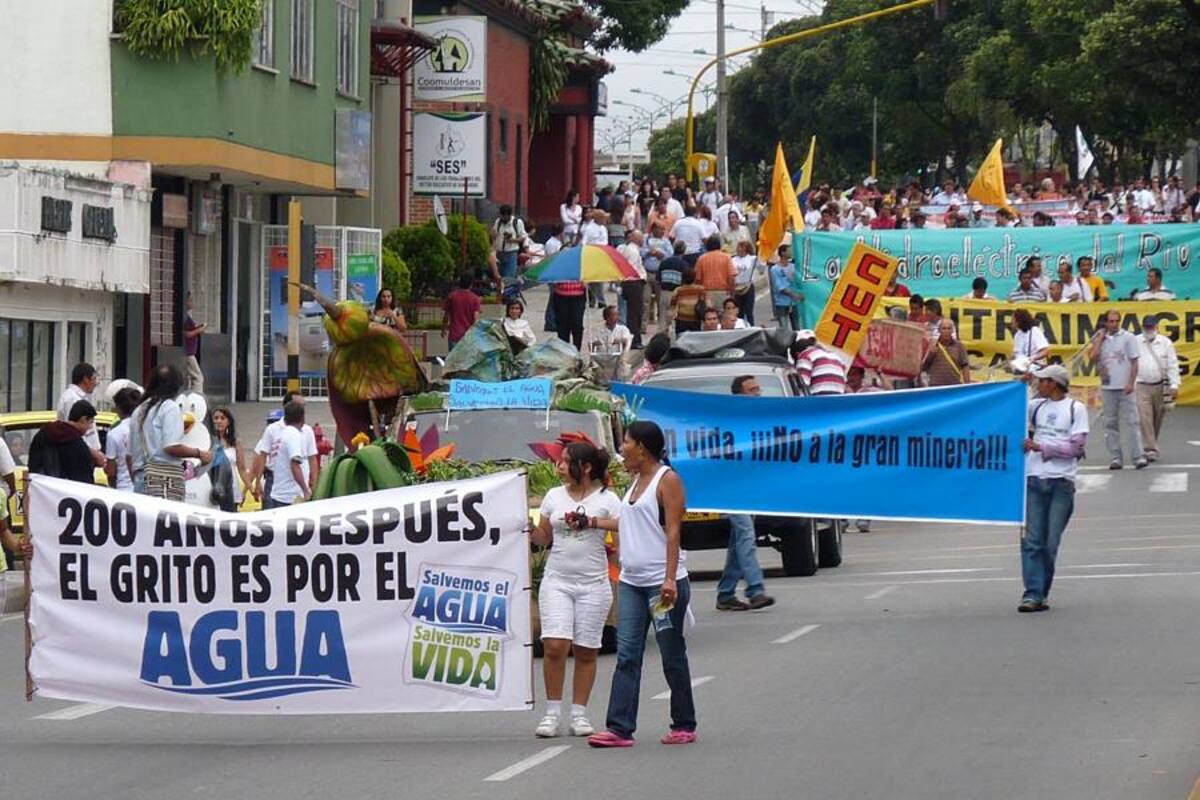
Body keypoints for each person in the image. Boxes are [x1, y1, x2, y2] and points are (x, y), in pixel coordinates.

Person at [588, 421, 696, 748]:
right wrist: (591, 522)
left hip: (661, 586)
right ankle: (620, 728)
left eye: (626, 442)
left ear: (643, 448)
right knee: (627, 654)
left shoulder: (668, 480)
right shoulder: (635, 482)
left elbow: (674, 531)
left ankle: (684, 723)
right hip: (633, 582)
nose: (622, 448)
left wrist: (669, 578)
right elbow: (629, 522)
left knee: (671, 654)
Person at [531, 441, 621, 738]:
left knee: (586, 649)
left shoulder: (608, 498)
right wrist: (529, 529)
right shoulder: (553, 496)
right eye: (559, 461)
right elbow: (544, 537)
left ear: (585, 467)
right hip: (557, 580)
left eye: (565, 461)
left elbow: (624, 526)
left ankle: (579, 714)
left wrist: (592, 522)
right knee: (555, 646)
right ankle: (552, 713)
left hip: (594, 584)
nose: (558, 466)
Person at [1020, 364, 1088, 613]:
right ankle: (1033, 593)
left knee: (1050, 543)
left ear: (1055, 383)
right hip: (1035, 478)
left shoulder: (1075, 409)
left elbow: (1077, 447)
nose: (1039, 385)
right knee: (1033, 541)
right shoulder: (1036, 406)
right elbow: (1012, 406)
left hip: (1061, 482)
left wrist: (1043, 448)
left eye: (1043, 381)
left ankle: (1042, 590)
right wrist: (1022, 383)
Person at [716, 376, 775, 612]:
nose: (758, 394)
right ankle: (756, 591)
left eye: (758, 389)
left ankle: (726, 593)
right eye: (752, 390)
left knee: (738, 541)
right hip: (730, 489)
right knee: (746, 536)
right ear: (738, 396)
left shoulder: (759, 421)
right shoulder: (727, 422)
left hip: (750, 489)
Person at [129, 365, 209, 500]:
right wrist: (199, 453)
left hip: (141, 477)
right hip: (164, 479)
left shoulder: (139, 411)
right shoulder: (169, 407)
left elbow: (130, 453)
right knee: (165, 520)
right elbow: (171, 447)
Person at [1089, 309, 1147, 469]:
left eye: (1116, 321)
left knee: (1132, 421)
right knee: (1110, 422)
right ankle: (1116, 456)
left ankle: (1138, 456)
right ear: (1106, 322)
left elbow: (1134, 362)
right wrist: (1100, 338)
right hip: (1108, 386)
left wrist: (1130, 382)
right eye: (1111, 321)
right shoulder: (1099, 338)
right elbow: (1092, 357)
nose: (1113, 324)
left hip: (1125, 385)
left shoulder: (1128, 338)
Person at [249, 391, 319, 506]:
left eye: (303, 405)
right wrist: (257, 482)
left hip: (296, 487)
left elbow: (312, 458)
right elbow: (263, 457)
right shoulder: (278, 431)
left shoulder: (305, 431)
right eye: (299, 405)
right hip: (280, 484)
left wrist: (313, 483)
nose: (302, 408)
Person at [1136, 315, 1180, 463]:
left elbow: (1173, 364)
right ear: (1143, 327)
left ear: (1156, 327)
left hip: (1160, 385)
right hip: (1141, 385)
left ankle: (1151, 442)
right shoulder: (1136, 341)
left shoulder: (1165, 343)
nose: (1149, 329)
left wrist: (1174, 385)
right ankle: (1150, 449)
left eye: (1151, 326)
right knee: (1145, 418)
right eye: (1147, 327)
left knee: (1157, 418)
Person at [29, 399, 97, 484]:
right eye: (90, 423)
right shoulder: (77, 445)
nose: (90, 427)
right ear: (83, 419)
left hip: (41, 487)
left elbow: (33, 463)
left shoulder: (44, 433)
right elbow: (84, 480)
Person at [56, 362, 103, 462]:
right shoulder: (72, 399)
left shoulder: (79, 397)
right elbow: (73, 433)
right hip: (78, 458)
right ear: (86, 379)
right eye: (94, 378)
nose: (96, 383)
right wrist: (93, 453)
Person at [269, 401, 311, 505]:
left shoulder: (281, 434)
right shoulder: (293, 435)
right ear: (302, 418)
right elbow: (295, 465)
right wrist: (305, 490)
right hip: (290, 497)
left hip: (279, 493)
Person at [104, 386, 142, 492]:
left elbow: (111, 472)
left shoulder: (114, 433)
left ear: (119, 407)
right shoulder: (145, 429)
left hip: (123, 489)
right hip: (143, 486)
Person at [212, 407, 250, 509]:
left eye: (222, 418)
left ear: (228, 422)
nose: (218, 421)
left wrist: (249, 487)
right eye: (216, 418)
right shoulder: (208, 441)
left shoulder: (236, 442)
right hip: (211, 485)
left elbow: (241, 468)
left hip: (231, 487)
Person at [618, 230, 647, 349]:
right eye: (641, 238)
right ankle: (635, 340)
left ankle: (634, 338)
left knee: (633, 313)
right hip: (633, 283)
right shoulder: (633, 251)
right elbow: (633, 270)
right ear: (637, 239)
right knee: (635, 314)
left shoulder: (627, 249)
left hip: (629, 283)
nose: (643, 241)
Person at [921, 319, 970, 386]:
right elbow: (923, 368)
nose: (946, 331)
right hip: (935, 387)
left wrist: (967, 385)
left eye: (949, 329)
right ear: (939, 330)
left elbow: (965, 366)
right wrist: (931, 354)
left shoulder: (959, 346)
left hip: (954, 386)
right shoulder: (931, 345)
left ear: (952, 330)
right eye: (944, 328)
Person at [694, 235, 736, 312]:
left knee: (709, 319)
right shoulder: (726, 258)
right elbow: (731, 278)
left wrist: (699, 295)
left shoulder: (702, 259)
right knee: (724, 318)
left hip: (707, 293)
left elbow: (698, 279)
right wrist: (732, 293)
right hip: (723, 292)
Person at [443, 274, 481, 349]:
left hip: (454, 334)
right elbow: (475, 319)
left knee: (454, 359)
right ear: (471, 284)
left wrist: (443, 328)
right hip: (468, 335)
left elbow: (446, 315)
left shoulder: (452, 296)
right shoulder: (475, 299)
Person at [491, 205, 527, 285]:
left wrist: (512, 240)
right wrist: (493, 234)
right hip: (499, 253)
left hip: (511, 253)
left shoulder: (517, 222)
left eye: (504, 216)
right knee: (499, 278)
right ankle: (501, 295)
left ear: (509, 215)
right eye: (501, 216)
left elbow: (523, 237)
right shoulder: (498, 221)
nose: (503, 218)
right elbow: (494, 235)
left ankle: (508, 295)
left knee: (508, 278)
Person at [769, 245, 801, 334]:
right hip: (781, 302)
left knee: (797, 328)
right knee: (784, 329)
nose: (791, 252)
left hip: (794, 303)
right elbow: (780, 287)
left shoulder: (794, 267)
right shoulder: (775, 269)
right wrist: (795, 295)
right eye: (789, 251)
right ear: (782, 253)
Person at [581, 210, 609, 308]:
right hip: (591, 254)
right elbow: (584, 242)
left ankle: (601, 300)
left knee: (599, 278)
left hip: (600, 254)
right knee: (590, 279)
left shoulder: (603, 228)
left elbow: (605, 241)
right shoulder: (589, 228)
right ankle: (592, 300)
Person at [670, 268, 708, 336]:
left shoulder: (679, 290)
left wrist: (671, 318)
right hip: (696, 320)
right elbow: (707, 303)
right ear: (694, 278)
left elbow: (672, 304)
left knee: (681, 340)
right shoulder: (700, 289)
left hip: (681, 320)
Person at [730, 240, 759, 325]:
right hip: (737, 287)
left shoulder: (752, 258)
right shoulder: (733, 259)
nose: (738, 249)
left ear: (746, 249)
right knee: (739, 312)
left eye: (740, 247)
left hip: (748, 286)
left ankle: (751, 327)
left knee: (749, 311)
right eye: (738, 247)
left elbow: (761, 268)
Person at [552, 278, 587, 350]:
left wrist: (586, 282)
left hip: (578, 295)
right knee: (562, 327)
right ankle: (564, 352)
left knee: (577, 325)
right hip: (561, 295)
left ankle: (577, 352)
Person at [183, 292, 206, 394]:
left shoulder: (188, 317)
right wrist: (199, 330)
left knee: (189, 377)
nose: (192, 303)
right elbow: (186, 334)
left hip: (189, 351)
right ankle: (197, 398)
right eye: (190, 300)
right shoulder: (185, 318)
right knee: (198, 377)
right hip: (187, 352)